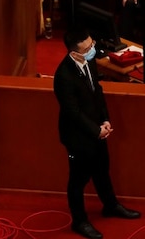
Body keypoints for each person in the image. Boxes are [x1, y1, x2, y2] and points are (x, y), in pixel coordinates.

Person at [53, 25, 140, 239]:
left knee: (102, 170)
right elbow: (73, 113)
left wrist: (105, 121)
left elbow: (97, 93)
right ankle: (79, 221)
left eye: (92, 43)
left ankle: (110, 205)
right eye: (88, 47)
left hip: (98, 130)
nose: (93, 49)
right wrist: (96, 131)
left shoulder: (89, 62)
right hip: (78, 138)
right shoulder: (63, 76)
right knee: (78, 180)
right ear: (74, 53)